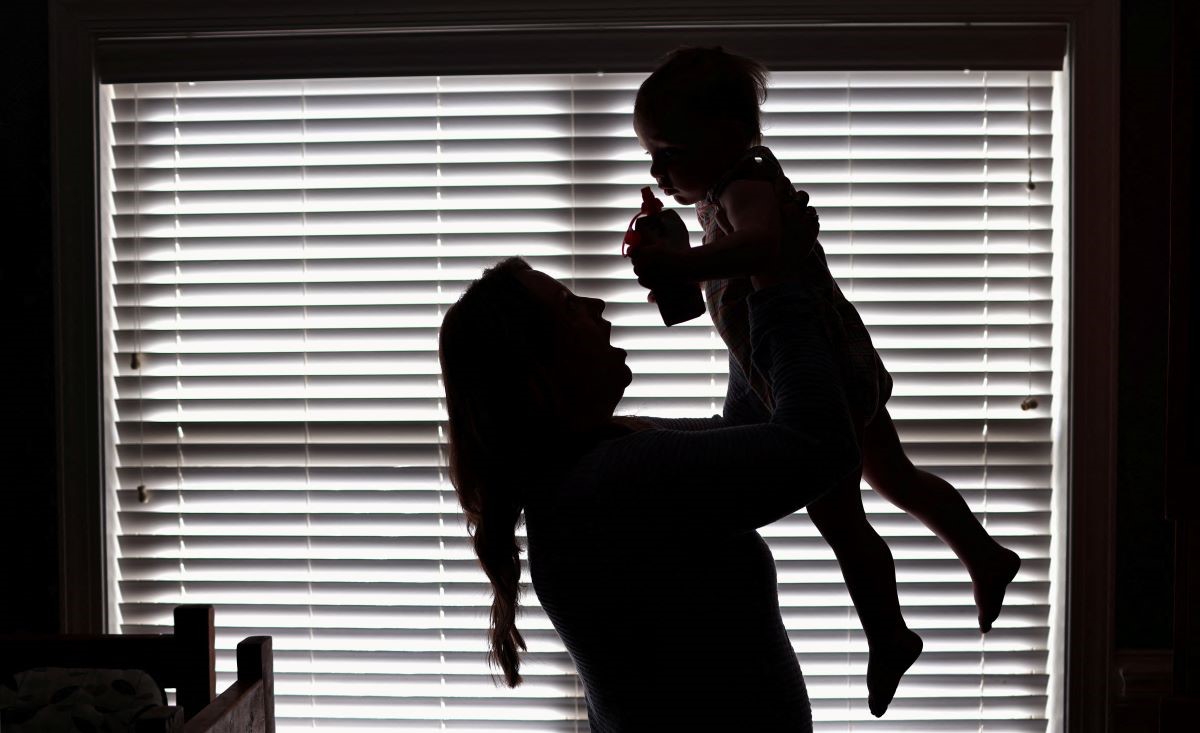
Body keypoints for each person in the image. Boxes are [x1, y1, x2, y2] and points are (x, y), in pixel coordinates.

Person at [627, 45, 1023, 717]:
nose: (658, 169)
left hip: (821, 369)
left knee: (841, 513)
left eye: (668, 151)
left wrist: (685, 263)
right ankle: (983, 553)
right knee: (896, 477)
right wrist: (684, 258)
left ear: (725, 136)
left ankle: (890, 633)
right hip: (819, 363)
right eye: (651, 156)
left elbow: (762, 249)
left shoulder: (745, 185)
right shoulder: (723, 190)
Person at [439, 251, 861, 731]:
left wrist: (738, 275)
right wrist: (777, 284)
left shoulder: (592, 463)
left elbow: (746, 426)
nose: (596, 303)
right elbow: (819, 445)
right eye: (568, 305)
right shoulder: (610, 482)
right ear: (537, 371)